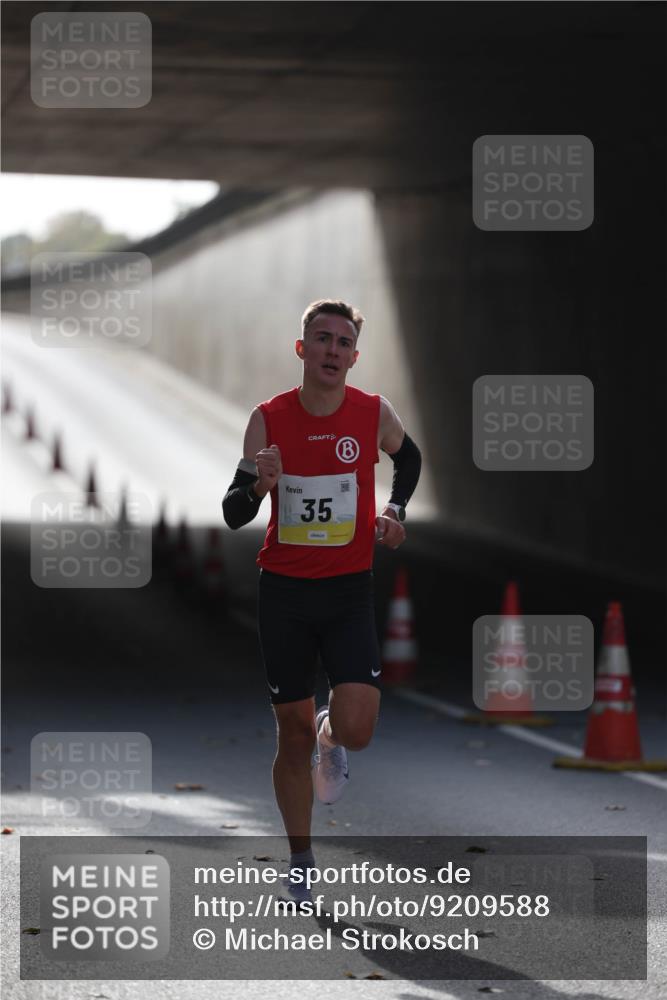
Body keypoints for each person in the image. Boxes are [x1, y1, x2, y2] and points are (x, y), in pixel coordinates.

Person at [222, 299, 421, 903]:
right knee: (292, 733)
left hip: (346, 591)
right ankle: (302, 860)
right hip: (283, 593)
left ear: (354, 357)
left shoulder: (372, 412)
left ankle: (332, 740)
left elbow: (408, 457)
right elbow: (233, 513)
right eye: (322, 338)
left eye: (343, 342)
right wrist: (260, 485)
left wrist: (395, 509)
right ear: (302, 348)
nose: (332, 350)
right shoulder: (268, 419)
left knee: (355, 728)